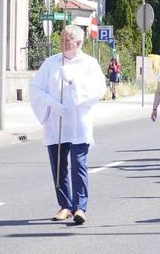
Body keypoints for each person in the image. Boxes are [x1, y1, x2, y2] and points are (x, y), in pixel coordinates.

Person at [30, 25, 107, 224]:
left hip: (78, 124)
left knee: (78, 165)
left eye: (67, 41)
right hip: (56, 123)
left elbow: (98, 90)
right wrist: (50, 102)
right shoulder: (50, 63)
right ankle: (65, 205)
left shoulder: (89, 64)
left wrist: (74, 83)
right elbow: (35, 88)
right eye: (61, 40)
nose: (63, 44)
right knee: (58, 167)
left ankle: (80, 207)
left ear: (79, 43)